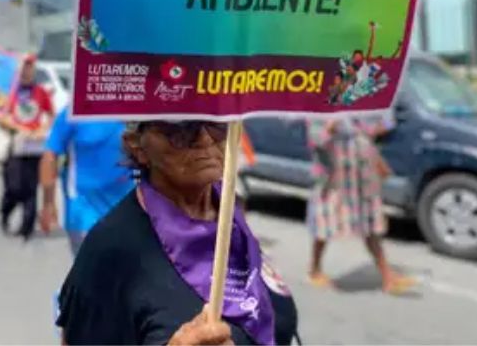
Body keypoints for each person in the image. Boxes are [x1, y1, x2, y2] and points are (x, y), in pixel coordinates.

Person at [57, 121, 299, 345]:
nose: (204, 139)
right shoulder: (111, 248)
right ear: (138, 146)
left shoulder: (227, 211)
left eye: (217, 123)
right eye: (182, 128)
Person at [306, 115, 415, 295]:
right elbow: (316, 140)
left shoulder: (357, 109)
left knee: (370, 223)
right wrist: (330, 128)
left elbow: (374, 130)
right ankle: (315, 269)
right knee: (325, 225)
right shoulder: (320, 113)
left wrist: (381, 128)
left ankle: (388, 277)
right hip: (334, 180)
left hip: (361, 177)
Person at [39, 106, 132, 255]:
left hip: (128, 212)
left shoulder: (137, 113)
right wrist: (48, 203)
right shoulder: (73, 111)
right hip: (82, 211)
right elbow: (50, 155)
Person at [0, 53, 53, 240]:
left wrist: (42, 130)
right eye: (23, 66)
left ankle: (27, 227)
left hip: (34, 147)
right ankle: (5, 211)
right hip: (15, 146)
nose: (26, 70)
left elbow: (51, 115)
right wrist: (16, 127)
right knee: (14, 187)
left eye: (30, 66)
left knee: (31, 187)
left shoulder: (41, 92)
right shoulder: (9, 92)